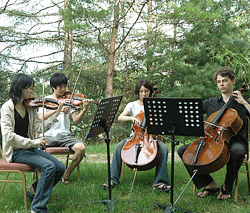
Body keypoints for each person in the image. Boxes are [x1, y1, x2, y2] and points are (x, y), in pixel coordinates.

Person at [178, 67, 250, 200]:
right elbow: (192, 112)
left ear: (233, 81)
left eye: (225, 80)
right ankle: (209, 184)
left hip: (236, 142)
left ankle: (227, 187)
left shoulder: (241, 104)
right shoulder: (211, 102)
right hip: (212, 141)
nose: (221, 84)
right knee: (183, 150)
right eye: (219, 81)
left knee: (237, 151)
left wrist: (244, 102)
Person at [1, 73, 65, 213]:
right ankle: (37, 208)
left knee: (60, 168)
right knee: (48, 167)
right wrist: (33, 142)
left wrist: (57, 112)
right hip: (16, 151)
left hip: (30, 147)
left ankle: (36, 189)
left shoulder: (30, 107)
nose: (32, 91)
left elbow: (38, 127)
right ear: (20, 89)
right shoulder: (7, 108)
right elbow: (8, 136)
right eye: (29, 88)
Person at [102, 79, 171, 192]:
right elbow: (120, 117)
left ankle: (159, 182)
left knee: (164, 148)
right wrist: (132, 118)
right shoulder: (132, 105)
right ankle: (113, 179)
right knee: (118, 147)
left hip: (149, 138)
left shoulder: (155, 105)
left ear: (150, 92)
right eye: (141, 91)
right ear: (137, 92)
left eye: (146, 91)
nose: (143, 94)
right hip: (135, 136)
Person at [39, 73, 90, 184]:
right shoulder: (45, 100)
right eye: (61, 87)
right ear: (53, 87)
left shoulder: (69, 100)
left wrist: (84, 110)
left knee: (81, 148)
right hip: (48, 135)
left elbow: (76, 119)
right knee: (36, 149)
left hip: (65, 135)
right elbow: (41, 117)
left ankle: (66, 175)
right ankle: (43, 181)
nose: (64, 89)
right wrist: (58, 110)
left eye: (65, 86)